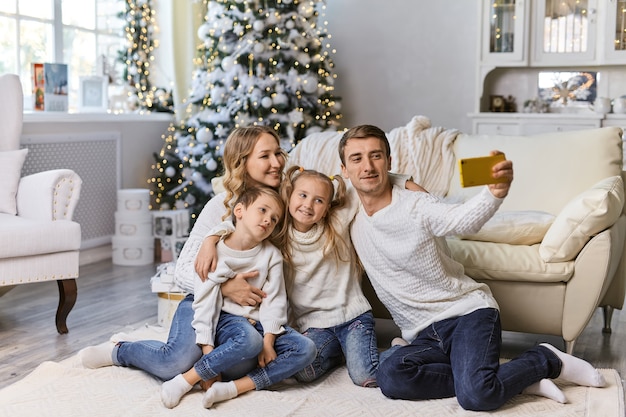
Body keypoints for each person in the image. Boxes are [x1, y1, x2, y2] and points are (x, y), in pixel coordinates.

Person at [337, 124, 606, 411]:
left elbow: (462, 220)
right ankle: (508, 378)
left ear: (388, 162)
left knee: (477, 397)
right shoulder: (347, 207)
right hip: (422, 333)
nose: (367, 166)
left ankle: (546, 359)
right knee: (390, 378)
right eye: (357, 159)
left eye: (375, 156)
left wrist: (494, 193)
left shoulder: (416, 204)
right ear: (344, 169)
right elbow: (307, 194)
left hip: (467, 313)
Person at [79, 126, 312, 386]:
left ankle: (221, 375)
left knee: (248, 361)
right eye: (265, 156)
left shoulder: (287, 202)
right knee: (173, 364)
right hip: (203, 301)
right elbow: (181, 272)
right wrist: (224, 286)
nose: (277, 162)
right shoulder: (221, 207)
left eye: (278, 153)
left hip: (246, 316)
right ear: (242, 163)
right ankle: (120, 350)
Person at [201, 166, 421, 388]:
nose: (307, 204)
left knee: (365, 375)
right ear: (289, 197)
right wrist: (211, 238)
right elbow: (244, 223)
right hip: (314, 325)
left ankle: (399, 349)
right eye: (303, 195)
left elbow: (367, 182)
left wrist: (405, 182)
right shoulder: (278, 234)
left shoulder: (336, 221)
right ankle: (341, 352)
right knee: (303, 372)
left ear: (326, 208)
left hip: (352, 318)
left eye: (318, 201)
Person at [161, 186, 315, 409]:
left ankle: (232, 388)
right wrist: (208, 353)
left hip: (260, 323)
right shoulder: (217, 252)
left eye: (274, 219)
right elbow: (204, 304)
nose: (267, 220)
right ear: (239, 211)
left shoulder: (271, 255)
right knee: (249, 340)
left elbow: (275, 301)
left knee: (306, 349)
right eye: (262, 211)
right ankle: (185, 381)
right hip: (226, 320)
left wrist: (269, 341)